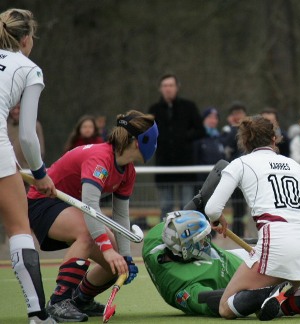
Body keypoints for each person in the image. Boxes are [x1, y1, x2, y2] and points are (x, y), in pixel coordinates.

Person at [204, 116, 300, 321]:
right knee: (272, 307)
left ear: (245, 142)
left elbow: (212, 209)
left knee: (226, 307)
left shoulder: (240, 164)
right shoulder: (294, 165)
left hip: (275, 246)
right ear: (274, 139)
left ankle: (271, 292)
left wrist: (218, 219)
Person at [27, 110, 158, 322]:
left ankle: (81, 299)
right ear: (137, 141)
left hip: (73, 207)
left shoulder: (127, 171)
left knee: (115, 263)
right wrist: (106, 249)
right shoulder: (101, 158)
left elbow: (120, 216)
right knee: (89, 235)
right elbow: (90, 205)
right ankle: (59, 301)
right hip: (43, 202)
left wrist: (124, 255)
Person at [144, 210, 300, 318]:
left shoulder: (160, 236)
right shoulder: (182, 289)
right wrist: (260, 291)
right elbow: (213, 300)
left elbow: (213, 176)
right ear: (187, 249)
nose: (209, 241)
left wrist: (211, 208)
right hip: (250, 272)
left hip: (242, 259)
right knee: (258, 303)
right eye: (203, 240)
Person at [0, 8, 57, 324]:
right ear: (25, 39)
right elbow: (28, 136)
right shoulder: (28, 68)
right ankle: (38, 314)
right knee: (19, 229)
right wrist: (39, 174)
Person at [148, 74, 205, 218]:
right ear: (160, 89)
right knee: (165, 205)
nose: (168, 89)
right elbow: (147, 134)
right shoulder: (154, 109)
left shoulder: (189, 107)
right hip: (163, 166)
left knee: (187, 205)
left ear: (177, 87)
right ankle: (164, 235)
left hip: (186, 166)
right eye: (165, 86)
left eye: (171, 85)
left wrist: (183, 137)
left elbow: (200, 131)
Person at [220, 101, 248, 236]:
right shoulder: (228, 131)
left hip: (247, 173)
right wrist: (232, 128)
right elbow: (225, 148)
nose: (238, 117)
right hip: (234, 173)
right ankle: (237, 233)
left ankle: (244, 232)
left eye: (240, 113)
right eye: (235, 114)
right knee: (237, 206)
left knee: (244, 207)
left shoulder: (249, 130)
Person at [192, 107, 225, 184]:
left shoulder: (220, 139)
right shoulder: (197, 139)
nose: (213, 120)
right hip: (201, 183)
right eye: (210, 117)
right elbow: (194, 160)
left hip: (218, 182)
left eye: (215, 118)